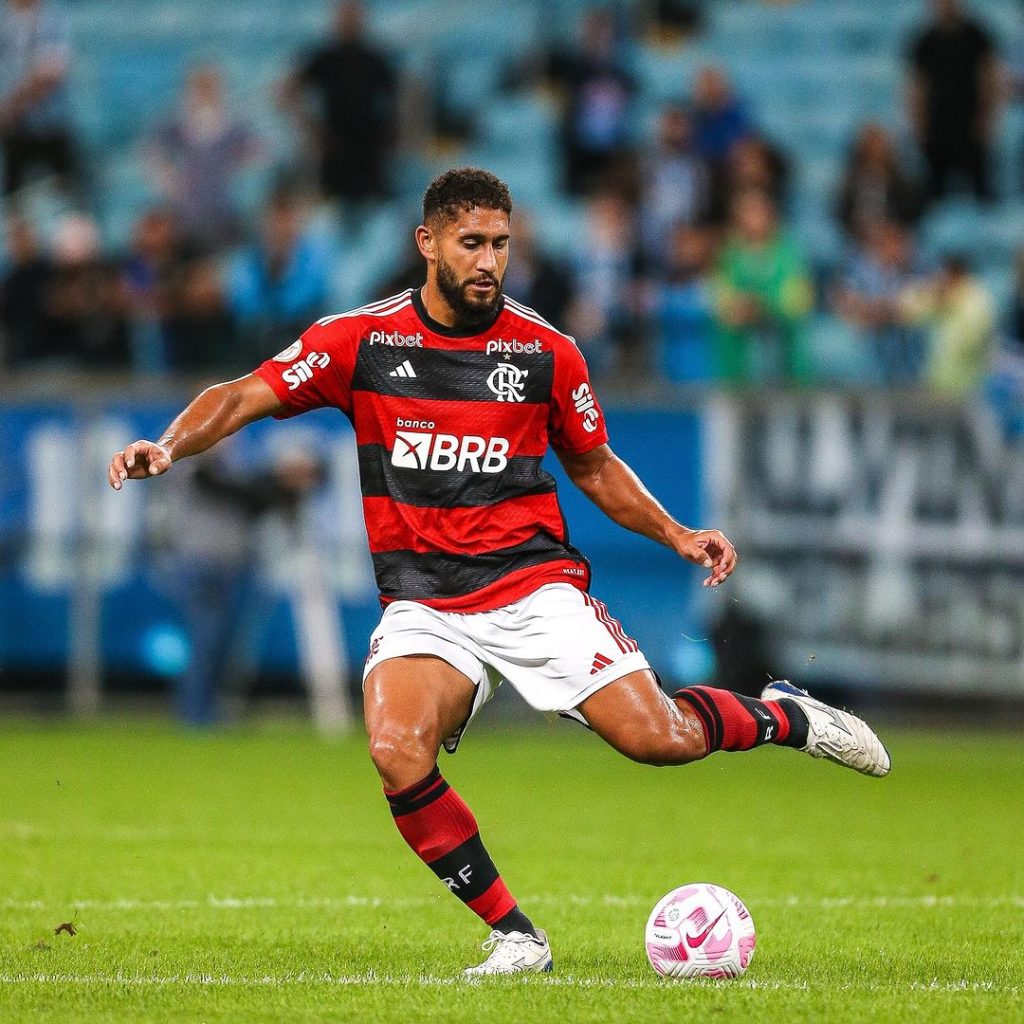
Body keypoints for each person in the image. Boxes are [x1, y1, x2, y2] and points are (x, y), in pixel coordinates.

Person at [107, 167, 890, 976]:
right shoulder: (363, 342)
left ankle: (784, 715)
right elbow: (240, 396)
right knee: (395, 747)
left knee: (661, 740)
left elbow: (593, 467)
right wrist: (167, 445)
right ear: (428, 243)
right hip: (424, 603)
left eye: (501, 245)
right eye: (471, 242)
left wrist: (677, 533)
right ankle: (517, 934)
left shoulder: (545, 352)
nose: (488, 261)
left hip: (532, 587)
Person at [281, 0, 397, 207]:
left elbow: (399, 95)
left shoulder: (374, 59)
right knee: (332, 208)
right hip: (335, 149)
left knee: (374, 207)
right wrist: (309, 129)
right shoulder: (325, 58)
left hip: (370, 149)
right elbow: (289, 90)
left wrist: (392, 133)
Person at [148, 66, 260, 248]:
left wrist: (241, 164)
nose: (205, 94)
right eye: (200, 88)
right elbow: (153, 149)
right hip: (188, 210)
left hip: (222, 208)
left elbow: (257, 151)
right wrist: (168, 179)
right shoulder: (179, 126)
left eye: (210, 87)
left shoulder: (233, 127)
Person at [906, 0, 1001, 203]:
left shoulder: (976, 34)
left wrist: (987, 120)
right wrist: (919, 126)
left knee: (983, 195)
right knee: (933, 197)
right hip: (937, 129)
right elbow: (917, 86)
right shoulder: (926, 39)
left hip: (971, 127)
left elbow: (990, 78)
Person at [0, 0, 78, 198]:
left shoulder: (51, 15)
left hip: (51, 127)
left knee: (67, 204)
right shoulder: (5, 16)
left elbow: (50, 73)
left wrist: (10, 109)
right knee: (13, 208)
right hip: (15, 133)